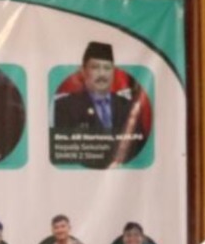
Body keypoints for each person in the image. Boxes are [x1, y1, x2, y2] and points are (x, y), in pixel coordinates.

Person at [51, 41, 148, 169]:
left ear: (113, 72)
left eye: (107, 68)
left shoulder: (129, 107)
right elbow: (63, 154)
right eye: (95, 67)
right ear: (83, 71)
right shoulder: (64, 106)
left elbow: (138, 151)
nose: (102, 74)